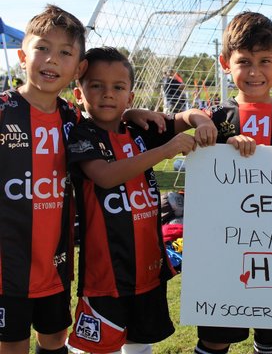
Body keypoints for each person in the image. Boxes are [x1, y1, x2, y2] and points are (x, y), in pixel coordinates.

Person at [66, 47, 217, 354]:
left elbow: (184, 117)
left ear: (130, 98)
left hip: (148, 271)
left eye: (118, 87)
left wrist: (202, 122)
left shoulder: (138, 130)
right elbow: (106, 176)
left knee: (139, 345)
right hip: (105, 276)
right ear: (78, 94)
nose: (108, 94)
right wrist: (166, 150)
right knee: (99, 348)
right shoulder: (82, 135)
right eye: (96, 85)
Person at [194, 11, 272, 354]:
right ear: (225, 63)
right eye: (244, 61)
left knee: (271, 334)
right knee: (216, 335)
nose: (254, 72)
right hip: (225, 247)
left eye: (264, 61)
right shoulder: (216, 119)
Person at [0, 4, 88, 354]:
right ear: (23, 55)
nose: (52, 59)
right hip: (7, 266)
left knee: (54, 338)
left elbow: (115, 125)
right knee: (12, 345)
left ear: (78, 68)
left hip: (55, 261)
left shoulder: (73, 119)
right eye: (43, 48)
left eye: (65, 52)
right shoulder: (4, 110)